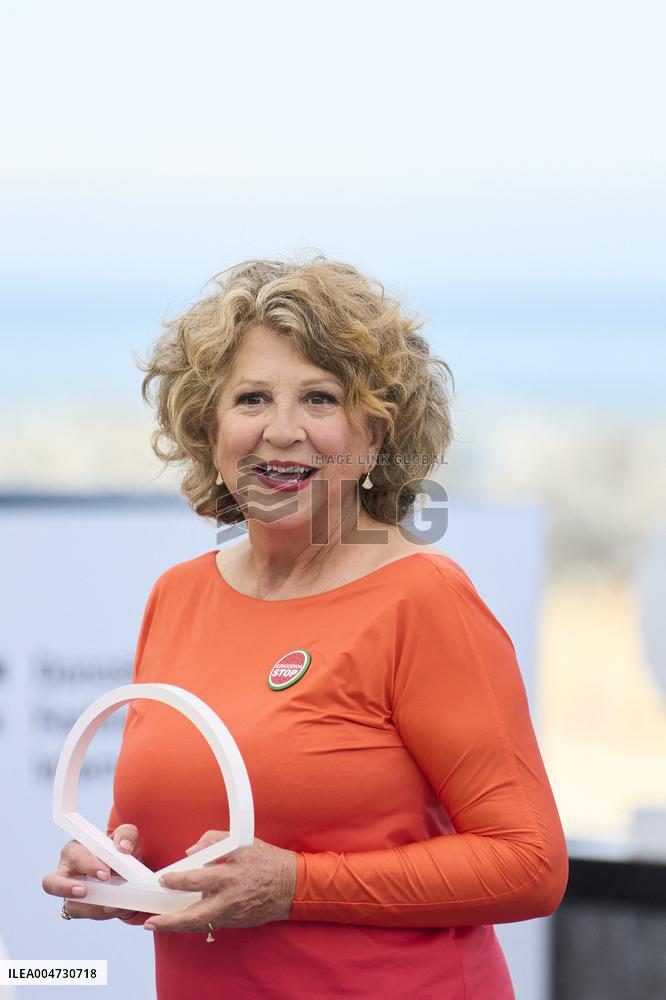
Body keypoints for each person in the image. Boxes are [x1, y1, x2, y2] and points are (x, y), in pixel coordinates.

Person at [42, 254, 569, 999]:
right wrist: (116, 867)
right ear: (210, 428)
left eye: (321, 400)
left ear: (376, 437)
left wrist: (294, 886)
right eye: (251, 398)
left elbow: (529, 865)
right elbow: (179, 842)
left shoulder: (423, 600)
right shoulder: (177, 595)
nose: (281, 431)